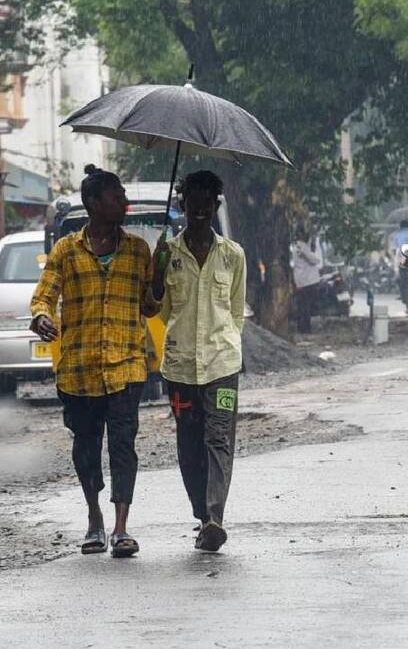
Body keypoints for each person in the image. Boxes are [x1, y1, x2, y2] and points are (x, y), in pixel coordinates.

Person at [29, 165, 160, 558]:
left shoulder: (138, 250)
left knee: (123, 446)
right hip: (79, 371)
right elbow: (44, 296)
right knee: (86, 450)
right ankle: (94, 518)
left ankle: (121, 529)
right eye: (116, 197)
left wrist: (160, 276)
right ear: (93, 204)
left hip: (126, 366)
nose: (124, 203)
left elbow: (150, 307)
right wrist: (41, 317)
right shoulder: (66, 251)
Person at [151, 170, 247, 553]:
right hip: (179, 367)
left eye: (208, 204)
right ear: (183, 206)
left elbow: (236, 312)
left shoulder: (233, 255)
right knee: (189, 442)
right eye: (194, 204)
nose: (201, 211)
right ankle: (199, 513)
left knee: (219, 437)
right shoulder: (168, 255)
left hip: (223, 366)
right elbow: (159, 310)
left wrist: (225, 344)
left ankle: (214, 518)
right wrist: (156, 275)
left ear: (216, 206)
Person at [291, 231, 322, 334]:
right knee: (305, 306)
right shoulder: (302, 247)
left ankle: (303, 327)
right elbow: (315, 260)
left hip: (303, 280)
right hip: (306, 280)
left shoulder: (298, 246)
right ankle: (305, 328)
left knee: (303, 305)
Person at [390, 219, 408, 314]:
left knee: (404, 284)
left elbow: (394, 251)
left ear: (400, 226)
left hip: (402, 264)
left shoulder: (396, 235)